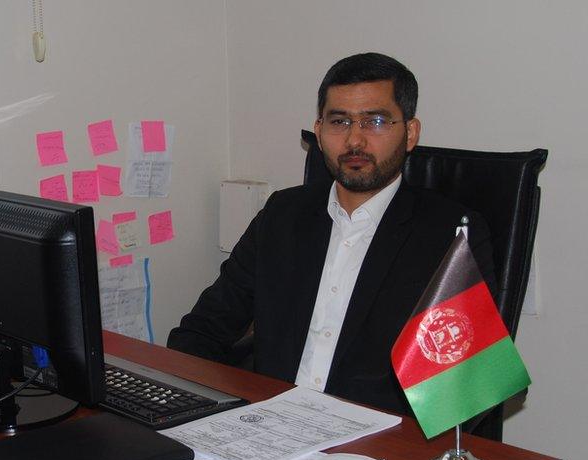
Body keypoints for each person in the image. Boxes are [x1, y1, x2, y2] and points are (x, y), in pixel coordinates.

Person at [167, 52, 495, 416]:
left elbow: (464, 386)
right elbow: (203, 331)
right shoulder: (282, 215)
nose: (355, 140)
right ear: (320, 132)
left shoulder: (450, 234)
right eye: (339, 122)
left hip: (379, 443)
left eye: (375, 121)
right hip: (267, 424)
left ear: (410, 133)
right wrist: (182, 408)